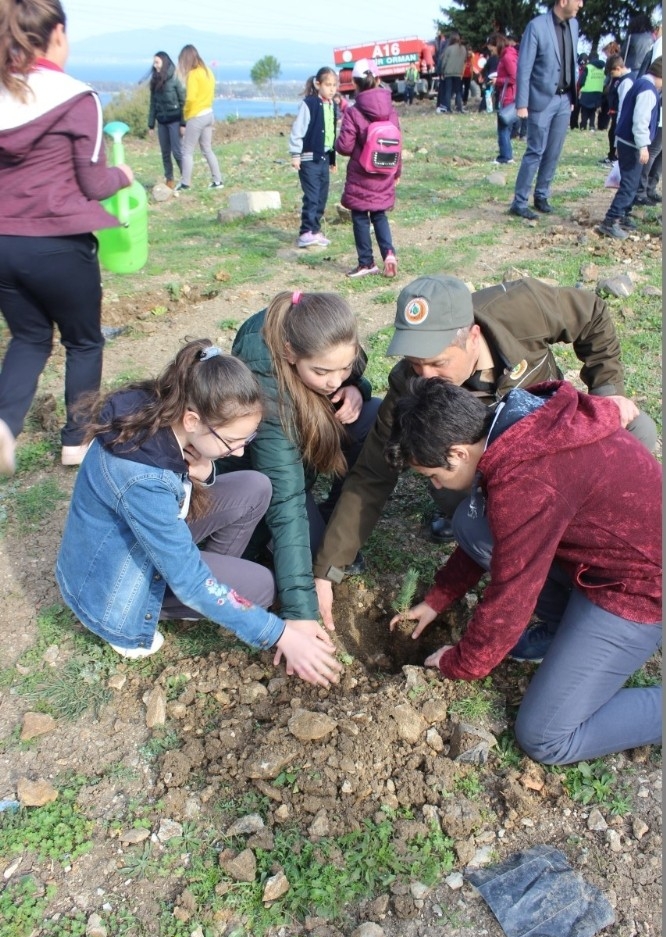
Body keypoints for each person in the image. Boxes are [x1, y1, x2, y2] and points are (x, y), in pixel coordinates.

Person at [312, 274, 657, 631]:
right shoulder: (409, 386)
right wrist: (328, 569)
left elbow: (592, 315)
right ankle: (552, 588)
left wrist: (604, 395)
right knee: (472, 520)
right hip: (493, 474)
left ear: (472, 337)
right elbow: (372, 474)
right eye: (416, 364)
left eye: (438, 363)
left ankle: (617, 548)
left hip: (555, 443)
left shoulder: (520, 309)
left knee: (638, 430)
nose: (426, 377)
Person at [386, 377, 661, 766]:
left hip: (638, 588)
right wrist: (439, 598)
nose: (435, 484)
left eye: (434, 475)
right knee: (471, 522)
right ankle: (563, 630)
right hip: (602, 558)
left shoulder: (527, 477)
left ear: (459, 453)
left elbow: (513, 595)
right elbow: (498, 529)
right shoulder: (513, 422)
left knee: (545, 736)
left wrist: (462, 662)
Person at [55, 339, 341, 688]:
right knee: (262, 586)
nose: (236, 452)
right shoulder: (144, 480)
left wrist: (207, 472)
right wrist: (281, 635)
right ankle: (182, 603)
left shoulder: (161, 410)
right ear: (193, 420)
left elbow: (188, 484)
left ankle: (208, 593)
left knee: (255, 486)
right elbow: (186, 572)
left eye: (246, 441)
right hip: (114, 587)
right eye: (231, 441)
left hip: (142, 544)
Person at [0, 0, 133, 477]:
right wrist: (121, 174)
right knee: (83, 341)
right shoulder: (77, 97)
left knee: (29, 338)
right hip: (60, 240)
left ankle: (3, 425)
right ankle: (76, 441)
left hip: (3, 241)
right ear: (56, 33)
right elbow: (93, 183)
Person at [222, 291, 381, 627]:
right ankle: (266, 541)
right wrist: (301, 612)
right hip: (259, 480)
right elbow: (285, 497)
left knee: (373, 414)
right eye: (323, 371)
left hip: (299, 459)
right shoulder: (264, 384)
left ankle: (328, 518)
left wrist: (356, 387)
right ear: (289, 352)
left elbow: (346, 373)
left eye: (344, 367)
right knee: (312, 554)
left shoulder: (315, 328)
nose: (334, 380)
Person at [509, 0, 581, 220]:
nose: (581, 4)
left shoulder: (574, 25)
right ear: (563, 1)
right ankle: (519, 202)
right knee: (535, 151)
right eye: (578, 0)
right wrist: (522, 103)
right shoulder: (537, 26)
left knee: (554, 151)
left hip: (564, 98)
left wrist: (572, 95)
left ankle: (542, 195)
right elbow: (524, 67)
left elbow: (572, 61)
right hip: (541, 100)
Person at [336, 58, 400, 279]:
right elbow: (397, 145)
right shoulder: (391, 111)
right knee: (380, 215)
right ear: (378, 80)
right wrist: (396, 172)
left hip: (362, 175)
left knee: (361, 217)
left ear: (354, 83)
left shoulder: (353, 112)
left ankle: (366, 263)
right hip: (384, 172)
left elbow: (344, 147)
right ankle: (389, 254)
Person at [598, 57, 662, 239]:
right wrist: (643, 146)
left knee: (630, 182)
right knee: (630, 184)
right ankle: (611, 220)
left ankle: (624, 215)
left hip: (625, 141)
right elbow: (640, 121)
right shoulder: (648, 91)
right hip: (633, 144)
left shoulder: (639, 82)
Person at [289, 67, 338, 249]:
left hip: (324, 158)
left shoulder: (332, 105)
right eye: (327, 85)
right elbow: (298, 130)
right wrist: (296, 155)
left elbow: (331, 134)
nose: (331, 89)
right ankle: (305, 232)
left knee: (322, 196)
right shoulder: (309, 104)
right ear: (318, 84)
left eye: (334, 85)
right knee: (312, 196)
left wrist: (332, 159)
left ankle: (315, 231)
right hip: (309, 159)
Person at [175, 44, 222, 191]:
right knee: (207, 149)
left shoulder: (194, 74)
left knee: (187, 151)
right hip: (209, 114)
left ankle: (185, 183)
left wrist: (186, 114)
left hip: (196, 116)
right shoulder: (207, 71)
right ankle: (218, 181)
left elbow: (190, 99)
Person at [148, 51, 185, 188]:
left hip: (175, 120)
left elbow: (183, 102)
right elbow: (152, 103)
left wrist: (183, 123)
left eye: (157, 62)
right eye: (154, 62)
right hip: (161, 122)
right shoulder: (155, 80)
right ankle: (169, 179)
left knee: (177, 151)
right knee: (165, 153)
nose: (155, 65)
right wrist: (151, 124)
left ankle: (185, 178)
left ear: (164, 62)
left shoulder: (175, 78)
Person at [488, 33, 517, 164]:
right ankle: (506, 154)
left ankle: (505, 156)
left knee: (503, 127)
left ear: (496, 45)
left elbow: (514, 77)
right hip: (509, 95)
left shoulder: (507, 57)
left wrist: (497, 81)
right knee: (505, 127)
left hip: (508, 96)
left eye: (491, 49)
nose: (491, 52)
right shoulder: (510, 54)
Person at [602, 55, 636, 165]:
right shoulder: (620, 79)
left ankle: (615, 158)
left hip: (620, 114)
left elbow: (623, 102)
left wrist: (620, 119)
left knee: (615, 135)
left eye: (612, 73)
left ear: (618, 68)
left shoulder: (626, 81)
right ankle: (612, 155)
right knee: (612, 134)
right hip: (615, 113)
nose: (611, 76)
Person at [436, 31, 467, 113]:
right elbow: (464, 61)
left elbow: (444, 62)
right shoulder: (463, 49)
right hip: (458, 73)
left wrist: (442, 71)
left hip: (448, 73)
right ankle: (459, 108)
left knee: (448, 91)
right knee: (458, 91)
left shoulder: (449, 49)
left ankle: (448, 108)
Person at [577, 51, 605, 130]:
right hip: (598, 93)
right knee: (593, 111)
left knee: (585, 111)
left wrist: (580, 87)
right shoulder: (601, 69)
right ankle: (592, 126)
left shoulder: (588, 67)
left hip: (587, 92)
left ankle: (583, 125)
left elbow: (581, 80)